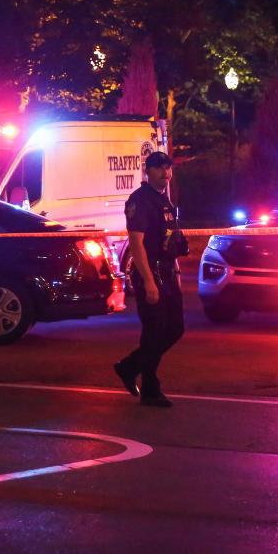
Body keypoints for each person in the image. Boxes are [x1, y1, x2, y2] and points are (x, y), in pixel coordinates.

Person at [114, 151, 188, 407]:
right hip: (151, 272)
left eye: (168, 169)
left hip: (167, 271)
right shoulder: (141, 200)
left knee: (175, 328)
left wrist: (176, 268)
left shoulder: (163, 200)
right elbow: (137, 243)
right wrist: (147, 281)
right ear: (148, 171)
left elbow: (169, 239)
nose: (165, 174)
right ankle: (150, 387)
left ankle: (130, 367)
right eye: (159, 169)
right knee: (154, 331)